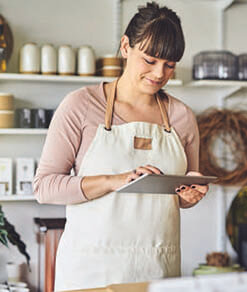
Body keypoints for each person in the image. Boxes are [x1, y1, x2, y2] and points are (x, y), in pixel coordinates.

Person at [33, 1, 209, 291]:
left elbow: (179, 197)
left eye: (169, 65)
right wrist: (115, 181)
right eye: (150, 60)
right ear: (126, 46)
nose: (159, 74)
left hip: (158, 270)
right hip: (90, 272)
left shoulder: (182, 118)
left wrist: (190, 194)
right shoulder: (81, 106)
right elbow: (45, 187)